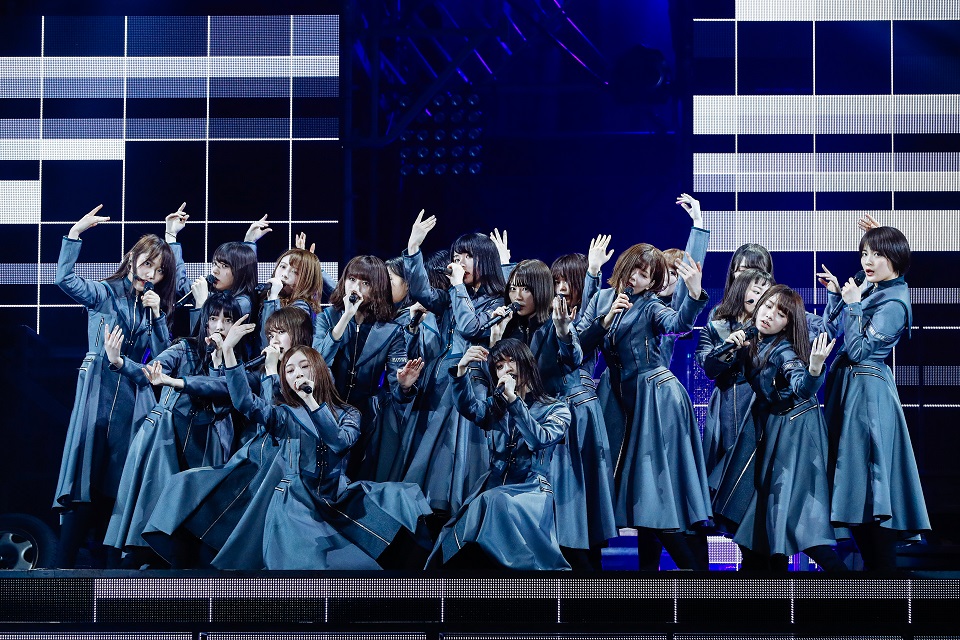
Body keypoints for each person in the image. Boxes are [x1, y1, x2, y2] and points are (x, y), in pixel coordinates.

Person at [214, 321, 432, 569]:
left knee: (402, 504)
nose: (297, 374)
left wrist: (312, 402)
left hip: (337, 497)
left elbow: (339, 442)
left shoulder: (349, 413)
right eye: (290, 371)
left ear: (319, 370)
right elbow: (245, 403)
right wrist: (229, 352)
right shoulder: (284, 415)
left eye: (304, 366)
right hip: (296, 502)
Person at [142, 306, 314, 568]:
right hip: (255, 456)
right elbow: (223, 386)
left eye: (280, 333)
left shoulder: (311, 369)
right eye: (270, 334)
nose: (273, 340)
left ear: (298, 334)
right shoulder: (262, 368)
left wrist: (271, 373)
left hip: (282, 463)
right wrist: (176, 382)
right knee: (188, 483)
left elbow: (275, 418)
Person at [53, 205, 177, 568]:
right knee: (87, 475)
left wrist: (158, 315)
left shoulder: (153, 306)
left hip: (134, 394)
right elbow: (64, 279)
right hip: (99, 387)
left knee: (120, 481)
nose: (151, 273)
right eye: (147, 264)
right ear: (133, 259)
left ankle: (113, 577)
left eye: (159, 269)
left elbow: (164, 358)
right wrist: (75, 233)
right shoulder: (105, 293)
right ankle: (61, 570)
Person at [577, 243, 712, 570]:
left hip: (654, 400)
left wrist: (694, 294)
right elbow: (578, 345)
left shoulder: (651, 305)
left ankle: (697, 576)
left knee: (653, 492)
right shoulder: (603, 299)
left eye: (644, 275)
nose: (635, 278)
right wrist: (605, 317)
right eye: (633, 270)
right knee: (608, 490)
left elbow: (678, 323)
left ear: (653, 282)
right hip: (615, 400)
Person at [101, 292, 255, 567]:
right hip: (168, 440)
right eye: (214, 318)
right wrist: (119, 361)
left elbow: (222, 396)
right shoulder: (184, 348)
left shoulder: (239, 364)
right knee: (152, 514)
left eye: (227, 320)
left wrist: (218, 360)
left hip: (207, 445)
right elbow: (150, 373)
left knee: (189, 525)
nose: (220, 326)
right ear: (205, 322)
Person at [706, 285, 846, 572]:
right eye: (768, 306)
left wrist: (815, 369)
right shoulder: (750, 338)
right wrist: (728, 346)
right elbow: (710, 368)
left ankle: (849, 583)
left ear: (788, 324)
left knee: (791, 513)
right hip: (771, 426)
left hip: (795, 430)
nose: (770, 315)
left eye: (780, 314)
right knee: (763, 512)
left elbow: (802, 387)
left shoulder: (784, 351)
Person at [819, 225, 930, 570]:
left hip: (868, 398)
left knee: (870, 488)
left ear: (895, 258)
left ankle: (885, 586)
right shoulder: (876, 288)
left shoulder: (895, 301)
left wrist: (853, 306)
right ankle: (876, 583)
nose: (867, 261)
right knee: (858, 492)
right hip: (852, 393)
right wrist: (838, 297)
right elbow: (831, 330)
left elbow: (859, 351)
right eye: (865, 253)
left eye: (877, 254)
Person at [396, 212, 507, 526]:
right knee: (428, 471)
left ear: (484, 259)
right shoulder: (452, 296)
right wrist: (413, 249)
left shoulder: (497, 301)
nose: (458, 263)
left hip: (471, 390)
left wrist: (458, 285)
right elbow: (421, 292)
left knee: (460, 471)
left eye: (466, 257)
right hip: (438, 387)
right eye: (456, 258)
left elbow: (472, 327)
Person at [427, 339, 570, 570]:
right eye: (499, 366)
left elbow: (539, 440)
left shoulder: (556, 408)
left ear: (527, 362)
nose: (506, 369)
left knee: (494, 502)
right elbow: (469, 408)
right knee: (455, 539)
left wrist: (513, 400)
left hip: (529, 491)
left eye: (511, 361)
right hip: (493, 487)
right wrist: (461, 370)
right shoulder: (496, 407)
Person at [313, 255, 415, 480]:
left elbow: (395, 386)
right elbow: (318, 361)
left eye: (365, 283)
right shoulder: (327, 318)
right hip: (326, 408)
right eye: (352, 279)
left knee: (356, 477)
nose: (355, 288)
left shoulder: (391, 331)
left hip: (366, 416)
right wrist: (346, 317)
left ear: (377, 287)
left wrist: (404, 386)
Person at [696, 268, 773, 486]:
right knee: (730, 462)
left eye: (766, 294)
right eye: (756, 291)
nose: (760, 298)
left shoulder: (770, 330)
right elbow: (707, 366)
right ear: (740, 290)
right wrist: (728, 347)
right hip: (729, 400)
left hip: (761, 402)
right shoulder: (715, 327)